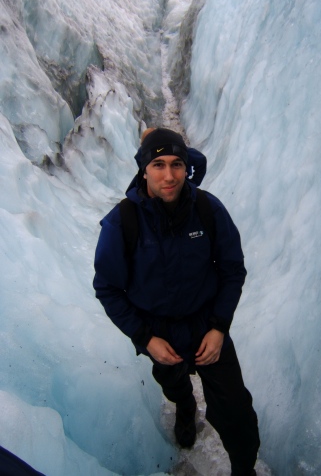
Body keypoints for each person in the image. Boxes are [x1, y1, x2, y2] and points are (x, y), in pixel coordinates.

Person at [93, 128, 260, 475]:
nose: (168, 175)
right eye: (158, 164)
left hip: (206, 324)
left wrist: (218, 328)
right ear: (143, 169)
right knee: (172, 382)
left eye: (176, 164)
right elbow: (108, 288)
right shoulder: (122, 223)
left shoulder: (207, 210)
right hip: (159, 330)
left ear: (187, 168)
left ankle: (244, 469)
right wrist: (145, 338)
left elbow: (232, 270)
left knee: (238, 412)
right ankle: (185, 406)